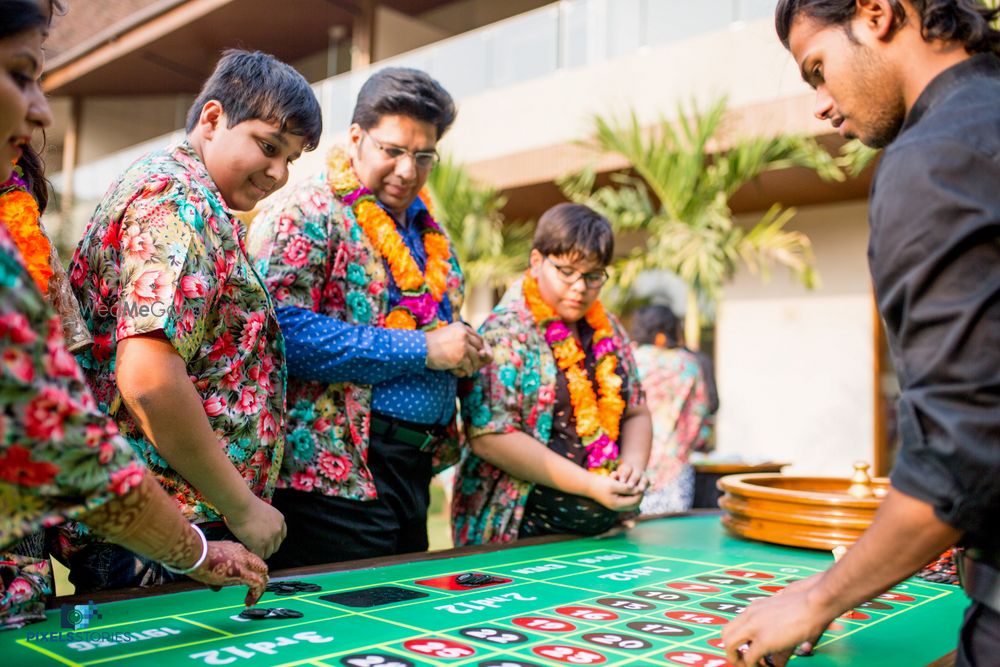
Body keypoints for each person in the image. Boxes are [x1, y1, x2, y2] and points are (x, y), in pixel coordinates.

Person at [723, 1, 1000, 665]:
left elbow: (961, 457)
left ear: (878, 12)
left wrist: (815, 599)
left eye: (818, 69)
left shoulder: (932, 160)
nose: (822, 104)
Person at [0, 0, 268, 629]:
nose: (40, 109)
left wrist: (196, 549)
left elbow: (63, 442)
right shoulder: (172, 196)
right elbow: (116, 403)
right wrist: (214, 532)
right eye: (19, 74)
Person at [58, 49, 322, 592]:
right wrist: (241, 506)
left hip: (169, 523)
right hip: (161, 528)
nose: (278, 173)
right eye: (268, 147)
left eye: (290, 159)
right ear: (212, 119)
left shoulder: (189, 195)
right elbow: (149, 380)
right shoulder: (178, 201)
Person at [247, 67, 488, 568]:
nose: (407, 170)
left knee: (405, 626)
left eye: (424, 157)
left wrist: (463, 351)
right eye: (393, 151)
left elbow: (441, 335)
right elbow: (278, 331)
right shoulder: (309, 210)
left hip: (414, 469)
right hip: (333, 474)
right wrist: (425, 349)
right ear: (356, 137)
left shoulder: (427, 232)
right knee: (353, 630)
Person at [451, 203, 652, 545]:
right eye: (567, 271)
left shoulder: (610, 329)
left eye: (593, 276)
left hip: (606, 531)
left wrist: (632, 465)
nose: (579, 287)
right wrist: (589, 485)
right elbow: (490, 437)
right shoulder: (505, 331)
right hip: (518, 530)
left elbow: (636, 410)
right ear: (536, 262)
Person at [630, 305, 711, 515]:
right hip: (674, 465)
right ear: (664, 333)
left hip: (630, 464)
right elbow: (699, 412)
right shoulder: (688, 364)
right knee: (673, 534)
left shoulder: (630, 359)